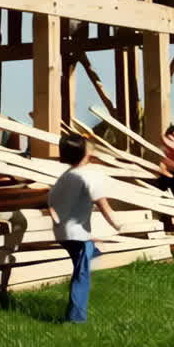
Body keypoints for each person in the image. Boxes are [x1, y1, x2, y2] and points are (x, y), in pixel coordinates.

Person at [48, 132, 123, 324]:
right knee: (82, 274)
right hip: (76, 234)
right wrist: (119, 225)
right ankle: (76, 318)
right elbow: (104, 206)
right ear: (85, 153)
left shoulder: (65, 176)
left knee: (87, 253)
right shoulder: (89, 176)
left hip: (63, 232)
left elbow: (51, 202)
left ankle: (93, 250)